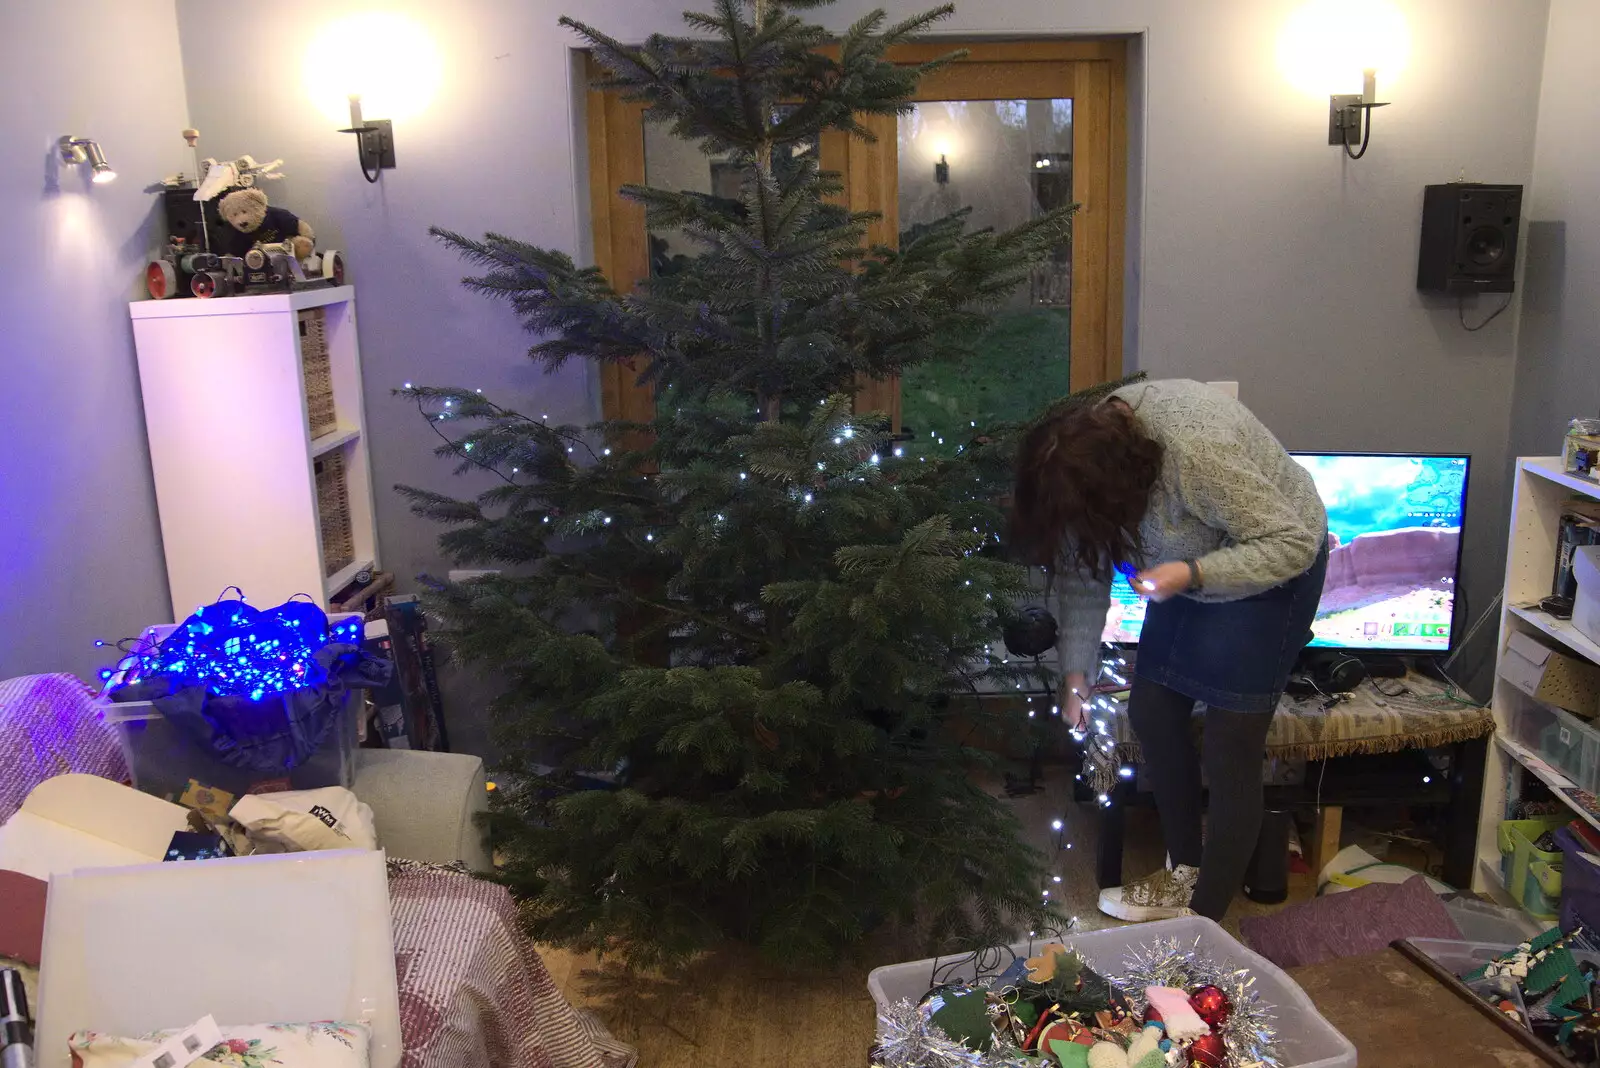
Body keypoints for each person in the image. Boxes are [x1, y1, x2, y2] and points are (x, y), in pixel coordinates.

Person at [1009, 378, 1328, 922]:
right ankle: (1185, 871)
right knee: (1153, 711)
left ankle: (1202, 924)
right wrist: (1076, 674)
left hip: (1271, 563)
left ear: (1120, 493)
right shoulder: (1072, 467)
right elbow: (1083, 575)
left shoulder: (1196, 451)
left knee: (1232, 744)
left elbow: (1291, 541)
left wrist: (1194, 573)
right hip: (1183, 566)